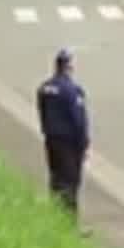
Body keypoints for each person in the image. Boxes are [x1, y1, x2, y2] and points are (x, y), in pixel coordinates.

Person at [36, 47, 90, 219]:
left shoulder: (44, 88)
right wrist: (84, 145)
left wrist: (46, 132)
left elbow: (42, 112)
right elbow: (79, 121)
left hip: (52, 140)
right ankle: (69, 222)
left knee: (56, 178)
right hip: (69, 144)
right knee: (70, 182)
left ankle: (55, 217)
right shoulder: (72, 91)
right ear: (69, 67)